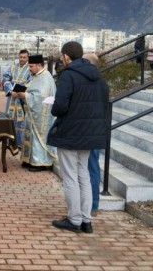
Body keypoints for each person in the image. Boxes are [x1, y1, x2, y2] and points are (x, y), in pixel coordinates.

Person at [47, 41, 109, 234]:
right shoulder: (99, 78)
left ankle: (74, 219)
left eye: (62, 56)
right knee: (83, 175)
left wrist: (55, 108)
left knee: (70, 178)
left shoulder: (68, 76)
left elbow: (60, 106)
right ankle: (86, 219)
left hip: (70, 133)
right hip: (91, 134)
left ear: (66, 56)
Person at [17, 55, 57, 171]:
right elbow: (33, 88)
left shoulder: (45, 77)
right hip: (32, 113)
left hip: (41, 115)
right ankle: (29, 160)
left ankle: (41, 162)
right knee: (30, 136)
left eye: (31, 66)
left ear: (39, 65)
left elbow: (41, 97)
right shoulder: (38, 76)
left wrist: (25, 95)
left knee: (37, 137)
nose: (29, 68)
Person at [82, 52, 103, 216]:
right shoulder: (101, 83)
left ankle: (92, 204)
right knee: (91, 167)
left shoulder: (88, 84)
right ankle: (91, 203)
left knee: (91, 167)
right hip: (96, 130)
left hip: (89, 131)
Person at [2, 49, 31, 149]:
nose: (22, 59)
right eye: (21, 57)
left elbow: (31, 83)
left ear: (28, 57)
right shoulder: (13, 66)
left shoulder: (30, 68)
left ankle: (19, 143)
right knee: (9, 119)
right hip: (11, 98)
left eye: (24, 57)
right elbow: (5, 78)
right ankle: (8, 142)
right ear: (18, 57)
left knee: (21, 121)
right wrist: (10, 91)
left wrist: (22, 91)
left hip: (22, 100)